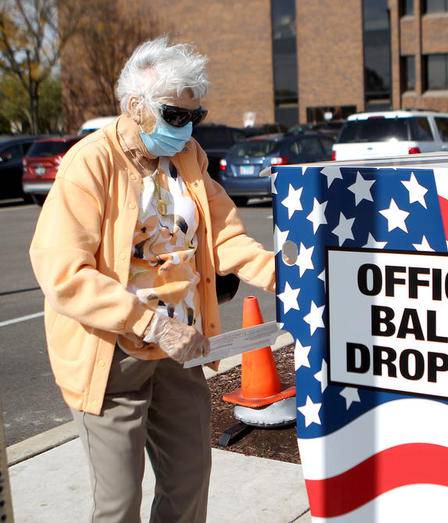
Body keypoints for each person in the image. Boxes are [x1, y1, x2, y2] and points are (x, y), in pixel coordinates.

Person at [29, 36, 276, 522]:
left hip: (180, 352)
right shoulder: (90, 162)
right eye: (175, 115)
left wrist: (279, 274)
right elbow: (63, 272)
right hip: (112, 355)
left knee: (188, 487)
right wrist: (152, 324)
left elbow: (224, 231)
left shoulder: (189, 159)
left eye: (194, 116)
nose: (185, 128)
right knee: (119, 504)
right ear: (134, 107)